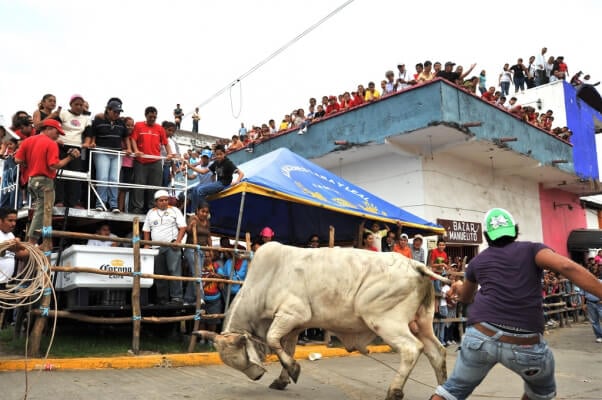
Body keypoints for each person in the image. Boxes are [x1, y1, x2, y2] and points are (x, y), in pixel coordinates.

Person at [430, 207, 602, 400]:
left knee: (452, 390)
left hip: (480, 337)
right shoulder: (532, 249)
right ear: (515, 230)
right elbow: (566, 265)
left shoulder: (478, 262)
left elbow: (466, 298)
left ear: (487, 235)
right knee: (540, 392)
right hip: (524, 344)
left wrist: (458, 285)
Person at [14, 119, 80, 244]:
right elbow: (54, 165)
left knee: (38, 210)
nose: (58, 135)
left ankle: (31, 241)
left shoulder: (28, 140)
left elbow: (17, 159)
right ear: (49, 128)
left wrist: (31, 164)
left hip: (31, 181)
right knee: (43, 211)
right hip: (45, 182)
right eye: (57, 132)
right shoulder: (51, 143)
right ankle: (31, 244)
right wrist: (70, 157)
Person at [142, 189, 187, 305]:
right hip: (156, 247)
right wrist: (147, 244)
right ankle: (163, 299)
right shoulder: (151, 213)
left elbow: (182, 227)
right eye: (161, 200)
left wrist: (178, 241)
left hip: (171, 246)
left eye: (166, 200)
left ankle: (177, 298)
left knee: (174, 271)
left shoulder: (175, 210)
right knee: (159, 274)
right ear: (156, 202)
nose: (164, 202)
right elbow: (146, 229)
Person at [130, 106, 174, 214]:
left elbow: (165, 143)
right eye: (150, 116)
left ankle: (152, 208)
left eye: (154, 117)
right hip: (141, 161)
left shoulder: (159, 128)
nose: (152, 119)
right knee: (139, 186)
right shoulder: (138, 125)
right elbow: (133, 139)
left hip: (155, 161)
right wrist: (136, 151)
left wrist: (169, 154)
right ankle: (137, 208)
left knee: (154, 186)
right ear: (146, 115)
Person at [87, 99, 128, 212]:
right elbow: (93, 133)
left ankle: (113, 204)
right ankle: (100, 203)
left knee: (114, 179)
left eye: (119, 112)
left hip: (116, 152)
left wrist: (129, 148)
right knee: (103, 178)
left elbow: (126, 137)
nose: (117, 114)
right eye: (115, 111)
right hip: (102, 151)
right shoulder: (98, 120)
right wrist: (93, 142)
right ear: (108, 110)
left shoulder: (121, 122)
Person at [55, 94, 91, 208]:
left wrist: (87, 143)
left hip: (76, 147)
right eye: (77, 104)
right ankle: (59, 200)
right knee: (60, 174)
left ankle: (73, 202)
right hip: (62, 146)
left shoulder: (86, 118)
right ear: (71, 104)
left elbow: (89, 133)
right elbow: (54, 126)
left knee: (75, 176)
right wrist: (56, 139)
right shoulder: (63, 114)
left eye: (81, 105)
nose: (79, 107)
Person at [184, 144, 243, 212]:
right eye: (217, 154)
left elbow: (241, 174)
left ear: (224, 153)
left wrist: (236, 182)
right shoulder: (216, 163)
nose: (219, 156)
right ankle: (193, 212)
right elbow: (203, 172)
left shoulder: (228, 163)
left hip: (223, 184)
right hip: (217, 183)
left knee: (200, 190)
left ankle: (205, 211)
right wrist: (189, 166)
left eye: (220, 154)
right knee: (194, 190)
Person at [183, 202, 211, 305]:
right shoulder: (193, 218)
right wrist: (191, 225)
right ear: (198, 211)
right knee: (197, 273)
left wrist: (210, 250)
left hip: (202, 250)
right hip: (192, 249)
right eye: (202, 211)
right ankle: (200, 297)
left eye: (206, 212)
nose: (204, 214)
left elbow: (208, 236)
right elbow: (188, 231)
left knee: (194, 274)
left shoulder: (207, 222)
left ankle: (188, 299)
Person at [0, 208, 29, 289]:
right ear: (0, 220)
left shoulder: (10, 235)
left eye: (15, 221)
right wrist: (19, 245)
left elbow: (20, 254)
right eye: (10, 220)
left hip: (3, 282)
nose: (13, 224)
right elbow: (9, 249)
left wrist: (38, 249)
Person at [581, 278, 602, 343]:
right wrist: (583, 304)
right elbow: (582, 294)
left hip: (600, 302)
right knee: (594, 321)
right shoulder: (583, 283)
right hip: (590, 303)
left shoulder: (600, 281)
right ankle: (599, 336)